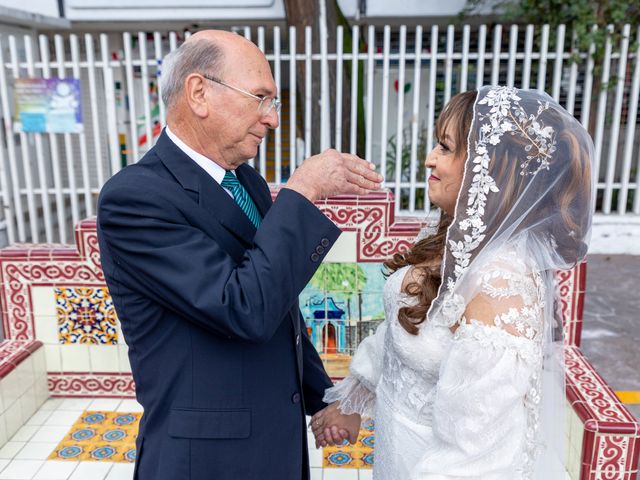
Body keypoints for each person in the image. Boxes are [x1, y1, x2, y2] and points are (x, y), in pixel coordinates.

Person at [97, 30, 382, 480]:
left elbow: (279, 302)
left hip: (274, 441)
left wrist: (325, 398)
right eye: (261, 98)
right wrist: (302, 192)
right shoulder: (136, 197)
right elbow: (242, 307)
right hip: (207, 459)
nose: (272, 119)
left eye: (274, 103)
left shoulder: (244, 182)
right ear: (199, 93)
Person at [311, 86, 595, 479]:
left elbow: (472, 459)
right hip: (398, 450)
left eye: (445, 147)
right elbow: (401, 337)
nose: (429, 159)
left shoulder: (501, 288)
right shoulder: (454, 241)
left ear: (488, 168)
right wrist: (353, 401)